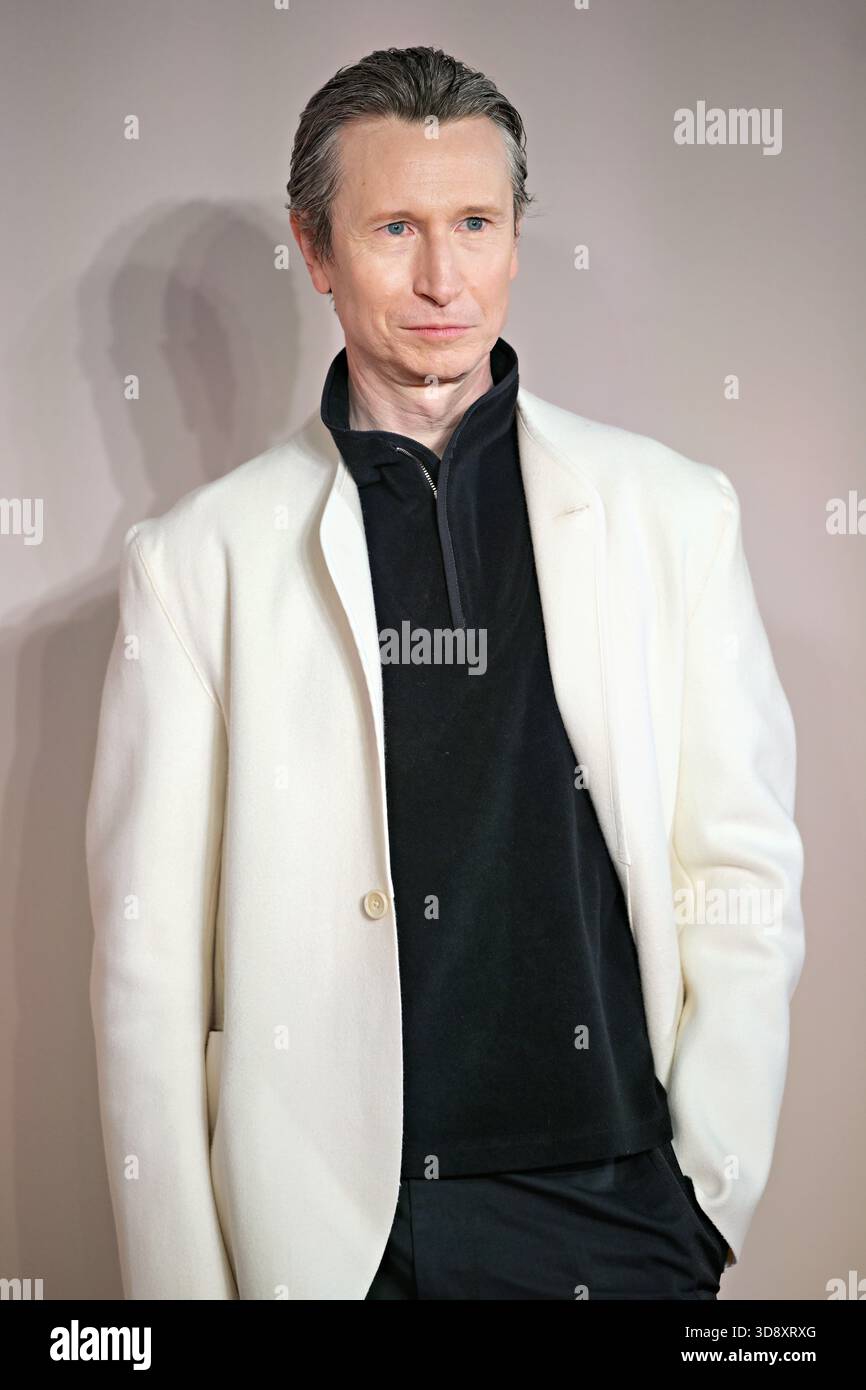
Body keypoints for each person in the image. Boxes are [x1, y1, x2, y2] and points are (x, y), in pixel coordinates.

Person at [86, 45, 805, 1300]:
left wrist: (706, 1190)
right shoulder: (195, 563)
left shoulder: (672, 514)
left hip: (620, 1207)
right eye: (393, 228)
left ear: (515, 237)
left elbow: (738, 865)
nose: (440, 277)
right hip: (331, 1232)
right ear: (316, 251)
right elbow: (146, 978)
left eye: (473, 222)